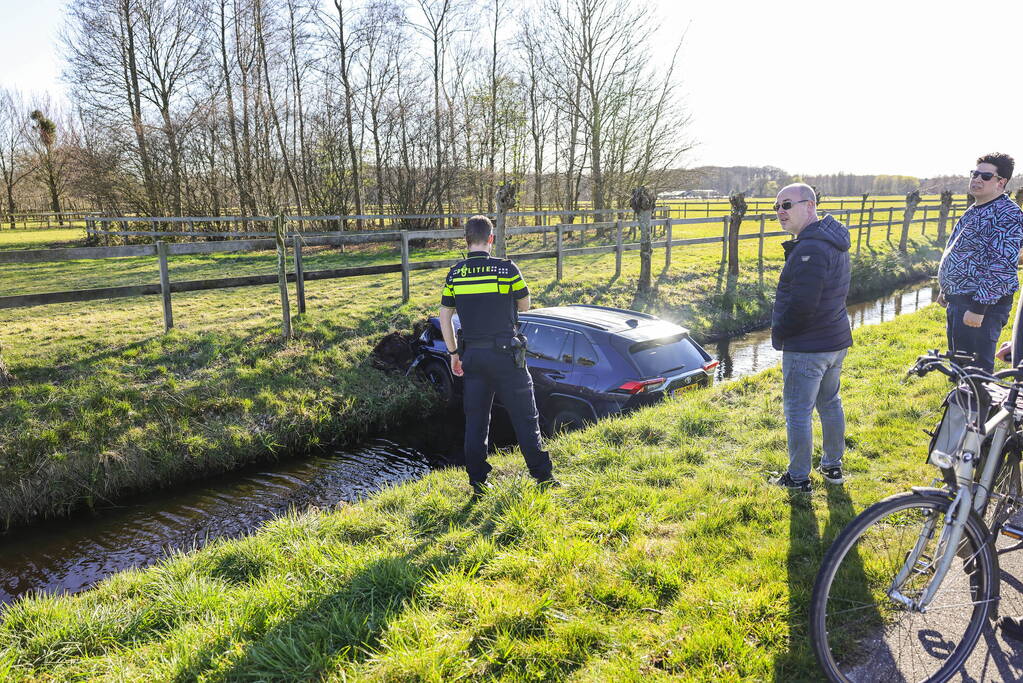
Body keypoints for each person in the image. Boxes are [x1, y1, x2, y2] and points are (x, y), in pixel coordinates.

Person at [438, 215, 558, 496]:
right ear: (491, 239)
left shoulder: (455, 273)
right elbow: (525, 305)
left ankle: (479, 484)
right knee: (525, 418)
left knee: (477, 422)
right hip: (507, 356)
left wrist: (454, 353)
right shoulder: (506, 270)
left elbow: (444, 317)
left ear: (466, 239)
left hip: (473, 357)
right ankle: (544, 478)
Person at [768, 183, 852, 492]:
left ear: (810, 206)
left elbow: (802, 305)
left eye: (787, 204)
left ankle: (798, 478)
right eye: (777, 206)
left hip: (809, 346)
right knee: (830, 403)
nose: (780, 211)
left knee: (798, 412)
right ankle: (832, 466)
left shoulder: (810, 249)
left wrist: (781, 333)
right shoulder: (830, 240)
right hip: (834, 339)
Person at [937, 153, 1023, 373]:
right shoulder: (978, 207)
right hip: (961, 302)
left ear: (1001, 182)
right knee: (960, 369)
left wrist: (978, 308)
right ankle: (962, 405)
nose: (977, 179)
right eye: (975, 174)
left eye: (985, 176)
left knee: (975, 375)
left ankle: (975, 407)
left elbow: (1001, 265)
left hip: (980, 307)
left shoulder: (1007, 214)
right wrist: (946, 289)